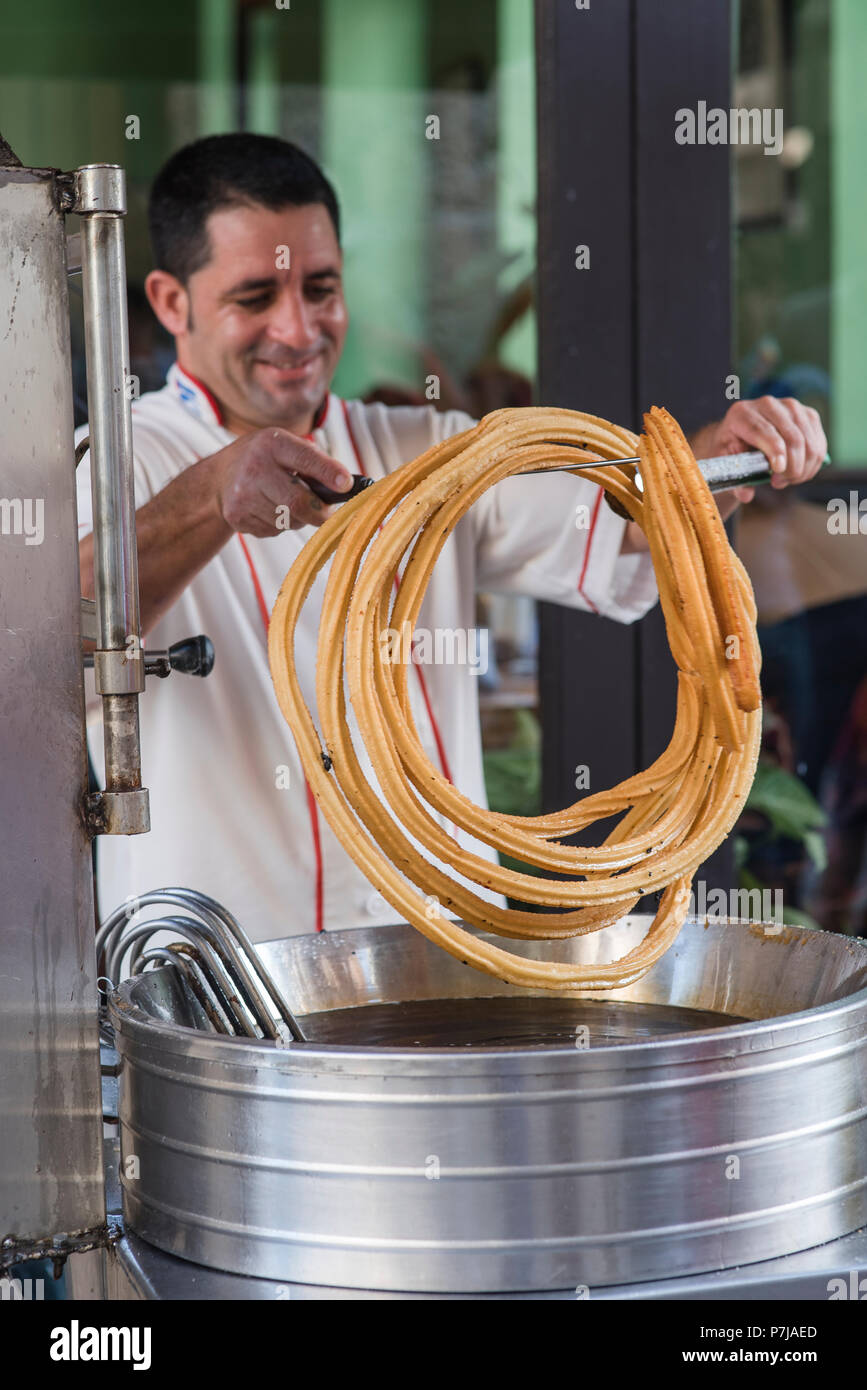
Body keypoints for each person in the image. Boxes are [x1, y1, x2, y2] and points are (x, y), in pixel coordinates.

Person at [77, 134, 827, 943]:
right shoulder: (116, 459)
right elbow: (54, 633)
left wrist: (714, 459)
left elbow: (626, 517)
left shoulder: (426, 447)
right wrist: (215, 491)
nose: (297, 329)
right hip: (218, 990)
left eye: (320, 288)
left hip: (433, 971)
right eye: (254, 297)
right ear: (169, 302)